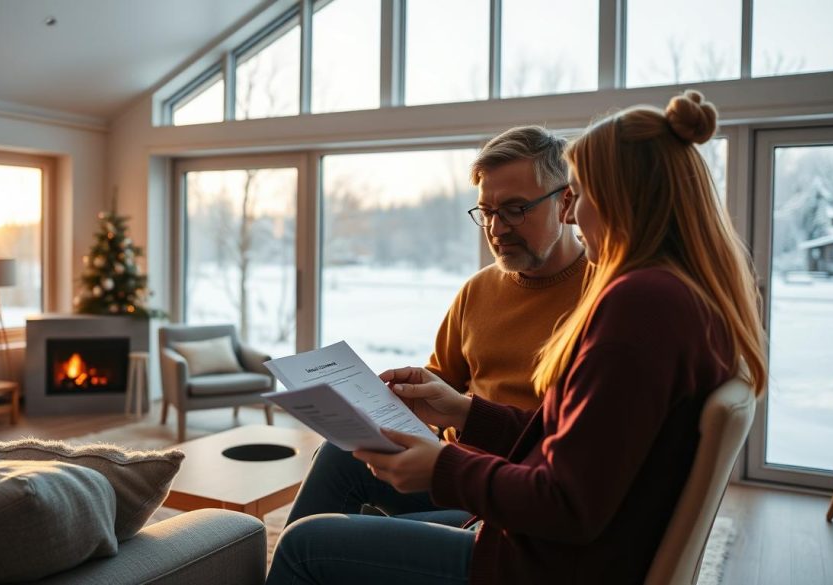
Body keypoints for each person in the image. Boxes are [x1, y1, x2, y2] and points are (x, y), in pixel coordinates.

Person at [266, 90, 767, 585]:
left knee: (306, 545)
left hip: (546, 560)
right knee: (337, 482)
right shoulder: (680, 298)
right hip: (550, 541)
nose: (574, 214)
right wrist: (462, 411)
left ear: (622, 200)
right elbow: (571, 451)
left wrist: (444, 466)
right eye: (488, 211)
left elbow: (568, 503)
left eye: (583, 195)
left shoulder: (638, 304)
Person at [284, 126, 587, 526]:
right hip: (446, 469)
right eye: (488, 212)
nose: (497, 230)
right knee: (339, 455)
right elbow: (443, 383)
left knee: (315, 546)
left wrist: (460, 417)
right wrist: (394, 399)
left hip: (516, 495)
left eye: (515, 209)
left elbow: (579, 447)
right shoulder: (478, 290)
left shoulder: (603, 298)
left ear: (566, 203)